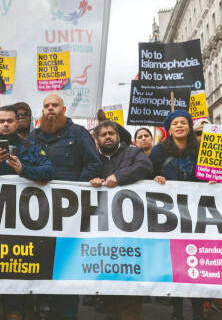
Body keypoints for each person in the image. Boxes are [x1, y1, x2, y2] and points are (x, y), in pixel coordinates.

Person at [28, 94, 101, 320]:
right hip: (39, 211)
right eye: (46, 106)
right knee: (40, 259)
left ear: (64, 109)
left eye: (55, 105)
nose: (50, 109)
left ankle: (67, 313)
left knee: (67, 261)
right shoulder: (34, 136)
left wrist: (74, 190)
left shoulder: (78, 133)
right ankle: (43, 307)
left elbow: (94, 163)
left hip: (70, 212)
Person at [90, 120, 152, 320]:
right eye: (103, 134)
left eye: (111, 133)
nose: (107, 136)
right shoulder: (93, 159)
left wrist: (118, 176)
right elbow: (84, 175)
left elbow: (145, 167)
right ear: (97, 140)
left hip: (131, 228)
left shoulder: (132, 153)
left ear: (118, 136)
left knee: (130, 274)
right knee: (109, 273)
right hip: (105, 229)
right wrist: (90, 180)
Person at [149, 110, 204, 320]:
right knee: (176, 264)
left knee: (197, 263)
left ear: (189, 127)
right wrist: (155, 178)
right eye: (175, 123)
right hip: (170, 216)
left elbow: (214, 174)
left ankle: (198, 311)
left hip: (197, 215)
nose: (179, 126)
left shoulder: (201, 149)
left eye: (184, 122)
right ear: (169, 128)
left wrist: (214, 182)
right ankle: (177, 311)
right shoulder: (158, 151)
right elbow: (147, 176)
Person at [0, 105, 55, 182]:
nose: (6, 124)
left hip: (24, 194)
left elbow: (50, 171)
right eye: (2, 121)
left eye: (10, 121)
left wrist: (22, 169)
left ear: (17, 123)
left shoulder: (30, 146)